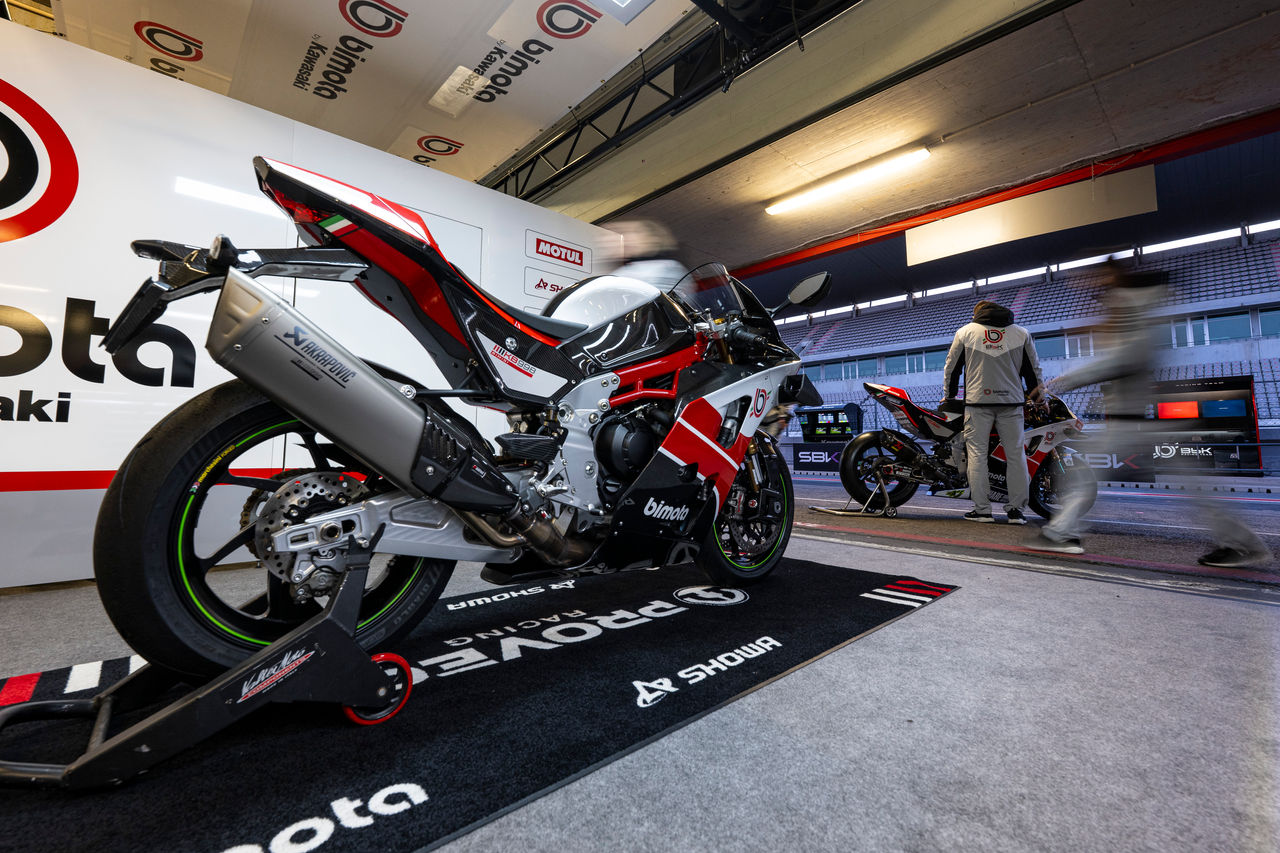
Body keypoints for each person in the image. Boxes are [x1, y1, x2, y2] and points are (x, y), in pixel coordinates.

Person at [1029, 260, 1270, 567]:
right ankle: (1062, 532)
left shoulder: (1132, 314)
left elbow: (1124, 359)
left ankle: (1062, 533)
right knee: (1191, 486)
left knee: (1190, 487)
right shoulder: (1131, 311)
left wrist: (1060, 383)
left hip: (1134, 422)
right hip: (1132, 421)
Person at [942, 300, 1045, 524]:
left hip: (978, 402)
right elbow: (1033, 370)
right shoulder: (1021, 333)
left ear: (977, 313)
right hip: (1012, 402)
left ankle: (983, 511)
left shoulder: (965, 332)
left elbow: (952, 367)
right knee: (1016, 456)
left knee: (977, 455)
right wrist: (1039, 399)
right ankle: (1016, 511)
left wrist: (949, 395)